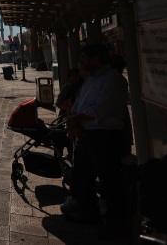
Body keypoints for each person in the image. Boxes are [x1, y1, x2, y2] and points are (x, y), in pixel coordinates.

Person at [62, 43, 130, 239]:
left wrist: (76, 119)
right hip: (85, 135)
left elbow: (100, 109)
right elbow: (79, 104)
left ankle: (115, 224)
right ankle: (88, 212)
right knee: (82, 176)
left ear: (97, 59)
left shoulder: (114, 80)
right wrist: (73, 121)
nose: (81, 62)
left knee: (109, 179)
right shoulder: (90, 80)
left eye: (85, 58)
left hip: (105, 137)